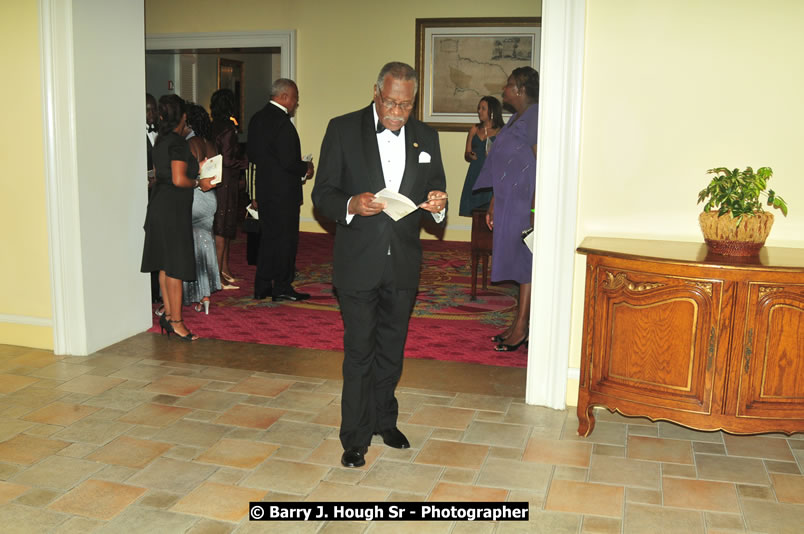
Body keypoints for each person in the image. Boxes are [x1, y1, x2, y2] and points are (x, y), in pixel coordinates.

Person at [311, 61, 448, 468]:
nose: (397, 113)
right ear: (376, 92)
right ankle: (354, 437)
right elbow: (323, 194)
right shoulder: (342, 128)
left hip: (403, 264)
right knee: (359, 351)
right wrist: (352, 204)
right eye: (390, 102)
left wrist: (438, 206)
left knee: (391, 350)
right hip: (357, 263)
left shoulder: (426, 136)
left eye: (405, 106)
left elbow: (436, 190)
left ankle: (385, 421)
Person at [473, 66, 539, 352]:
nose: (504, 89)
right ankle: (518, 323)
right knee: (518, 262)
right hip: (509, 200)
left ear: (522, 89)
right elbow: (503, 163)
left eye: (509, 85)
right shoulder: (515, 118)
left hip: (527, 202)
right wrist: (493, 201)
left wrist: (538, 208)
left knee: (526, 265)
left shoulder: (537, 116)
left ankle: (522, 327)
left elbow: (543, 162)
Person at [141, 95, 216, 341]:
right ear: (182, 117)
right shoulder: (177, 143)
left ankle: (169, 317)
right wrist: (199, 182)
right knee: (174, 268)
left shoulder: (162, 141)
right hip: (172, 208)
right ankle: (176, 321)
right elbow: (178, 179)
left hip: (160, 205)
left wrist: (197, 166)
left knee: (165, 266)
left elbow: (169, 173)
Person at [247, 79, 314, 301]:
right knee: (285, 240)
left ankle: (263, 285)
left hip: (265, 190)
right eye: (295, 97)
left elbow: (254, 156)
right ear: (284, 97)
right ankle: (283, 286)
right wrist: (305, 167)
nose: (296, 103)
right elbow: (288, 162)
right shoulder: (283, 124)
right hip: (284, 194)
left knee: (268, 239)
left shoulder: (257, 119)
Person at [182, 103, 221, 314]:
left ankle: (196, 293)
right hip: (210, 198)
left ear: (187, 121)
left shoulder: (191, 143)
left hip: (196, 196)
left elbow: (189, 174)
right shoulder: (210, 143)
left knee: (192, 248)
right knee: (206, 244)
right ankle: (205, 297)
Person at [210, 89, 248, 290]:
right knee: (222, 226)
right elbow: (227, 158)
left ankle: (224, 270)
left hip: (220, 180)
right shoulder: (226, 128)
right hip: (224, 181)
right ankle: (218, 275)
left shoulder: (214, 125)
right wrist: (245, 162)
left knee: (225, 226)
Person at [458, 96, 503, 216]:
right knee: (475, 212)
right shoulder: (474, 129)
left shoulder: (502, 131)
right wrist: (470, 155)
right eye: (479, 108)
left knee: (489, 209)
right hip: (475, 172)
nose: (479, 111)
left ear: (492, 111)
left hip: (491, 174)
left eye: (483, 108)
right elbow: (466, 154)